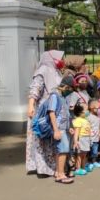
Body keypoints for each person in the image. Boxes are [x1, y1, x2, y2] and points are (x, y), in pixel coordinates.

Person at [26, 50, 64, 178]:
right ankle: (43, 168)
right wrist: (31, 105)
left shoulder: (55, 71)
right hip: (42, 112)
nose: (61, 60)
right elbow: (35, 89)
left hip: (54, 109)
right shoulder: (42, 71)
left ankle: (52, 166)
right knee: (42, 139)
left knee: (51, 139)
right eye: (58, 58)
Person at [47, 75, 75, 184]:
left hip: (64, 128)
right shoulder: (55, 96)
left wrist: (69, 128)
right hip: (59, 129)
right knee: (63, 151)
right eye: (71, 88)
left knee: (61, 151)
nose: (71, 91)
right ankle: (61, 174)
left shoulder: (62, 97)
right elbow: (52, 112)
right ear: (66, 87)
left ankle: (59, 172)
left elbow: (65, 114)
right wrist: (56, 130)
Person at [71, 103, 91, 176]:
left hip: (87, 139)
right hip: (81, 138)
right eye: (86, 110)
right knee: (79, 154)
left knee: (84, 154)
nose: (88, 111)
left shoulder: (85, 119)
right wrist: (76, 141)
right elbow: (76, 132)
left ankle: (83, 167)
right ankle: (78, 168)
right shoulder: (78, 120)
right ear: (80, 112)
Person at [86, 99, 100, 170]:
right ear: (91, 107)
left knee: (95, 151)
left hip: (95, 138)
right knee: (87, 151)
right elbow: (86, 127)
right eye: (98, 108)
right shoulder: (88, 117)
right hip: (88, 138)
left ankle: (94, 162)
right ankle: (87, 162)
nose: (99, 110)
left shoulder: (98, 117)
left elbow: (98, 126)